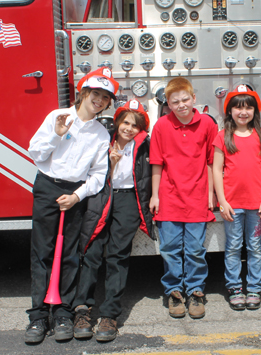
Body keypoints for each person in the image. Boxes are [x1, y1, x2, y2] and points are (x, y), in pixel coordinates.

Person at [25, 67, 117, 343]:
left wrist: (77, 196)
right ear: (84, 93)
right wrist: (57, 134)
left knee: (68, 255)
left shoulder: (102, 134)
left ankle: (63, 312)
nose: (99, 100)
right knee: (42, 253)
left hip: (75, 193)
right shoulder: (58, 116)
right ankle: (39, 317)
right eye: (95, 94)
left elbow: (99, 175)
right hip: (48, 187)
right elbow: (35, 152)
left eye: (104, 97)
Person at [72, 99, 154, 342]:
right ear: (117, 122)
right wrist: (110, 163)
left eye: (135, 125)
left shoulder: (144, 147)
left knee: (118, 255)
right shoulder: (102, 141)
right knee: (92, 251)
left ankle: (109, 314)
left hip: (128, 200)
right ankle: (82, 310)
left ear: (141, 130)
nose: (129, 128)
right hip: (102, 196)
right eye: (125, 122)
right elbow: (83, 169)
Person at [149, 77, 218, 319]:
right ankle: (174, 291)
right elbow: (156, 163)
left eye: (185, 99)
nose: (181, 105)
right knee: (169, 248)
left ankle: (196, 290)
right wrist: (155, 195)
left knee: (195, 249)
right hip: (168, 197)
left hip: (198, 197)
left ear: (194, 98)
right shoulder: (161, 126)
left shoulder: (208, 124)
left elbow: (211, 161)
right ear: (167, 103)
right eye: (175, 101)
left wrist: (211, 193)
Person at [213, 85, 261, 311]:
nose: (243, 112)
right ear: (229, 111)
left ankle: (254, 287)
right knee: (233, 247)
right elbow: (216, 170)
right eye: (238, 107)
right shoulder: (223, 136)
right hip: (233, 205)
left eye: (248, 107)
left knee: (255, 246)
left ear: (255, 111)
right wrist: (222, 200)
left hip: (256, 204)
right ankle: (234, 287)